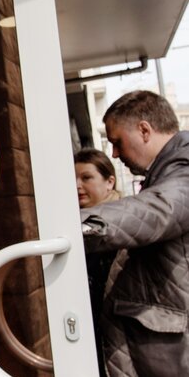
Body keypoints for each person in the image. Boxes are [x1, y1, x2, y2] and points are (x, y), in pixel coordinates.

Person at [80, 90, 189, 377]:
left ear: (144, 130)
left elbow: (157, 210)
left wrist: (72, 225)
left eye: (117, 142)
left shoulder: (184, 170)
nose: (114, 154)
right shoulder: (165, 174)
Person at [74, 148, 121, 377]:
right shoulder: (71, 224)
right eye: (73, 178)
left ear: (109, 182)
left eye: (86, 177)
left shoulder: (123, 225)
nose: (77, 185)